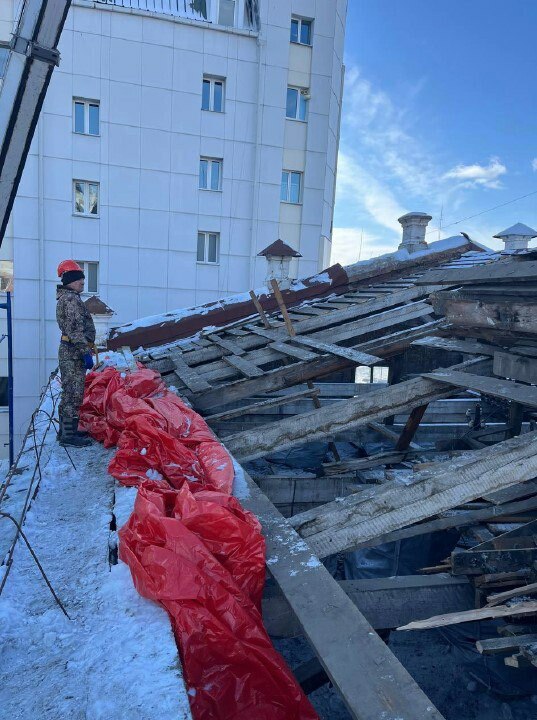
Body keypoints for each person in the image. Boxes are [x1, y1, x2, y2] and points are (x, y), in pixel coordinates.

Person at [56, 260, 96, 447]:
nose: (82, 282)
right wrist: (85, 352)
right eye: (79, 279)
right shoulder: (70, 299)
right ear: (70, 280)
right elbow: (74, 330)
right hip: (73, 351)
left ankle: (65, 431)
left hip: (71, 350)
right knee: (73, 393)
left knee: (69, 392)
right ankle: (68, 436)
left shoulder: (69, 297)